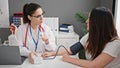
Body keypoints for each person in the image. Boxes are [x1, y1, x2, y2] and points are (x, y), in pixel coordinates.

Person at [42, 7, 120, 68]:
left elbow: (94, 66)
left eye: (90, 19)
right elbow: (71, 50)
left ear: (98, 23)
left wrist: (68, 59)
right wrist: (51, 53)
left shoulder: (115, 44)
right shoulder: (90, 36)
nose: (86, 21)